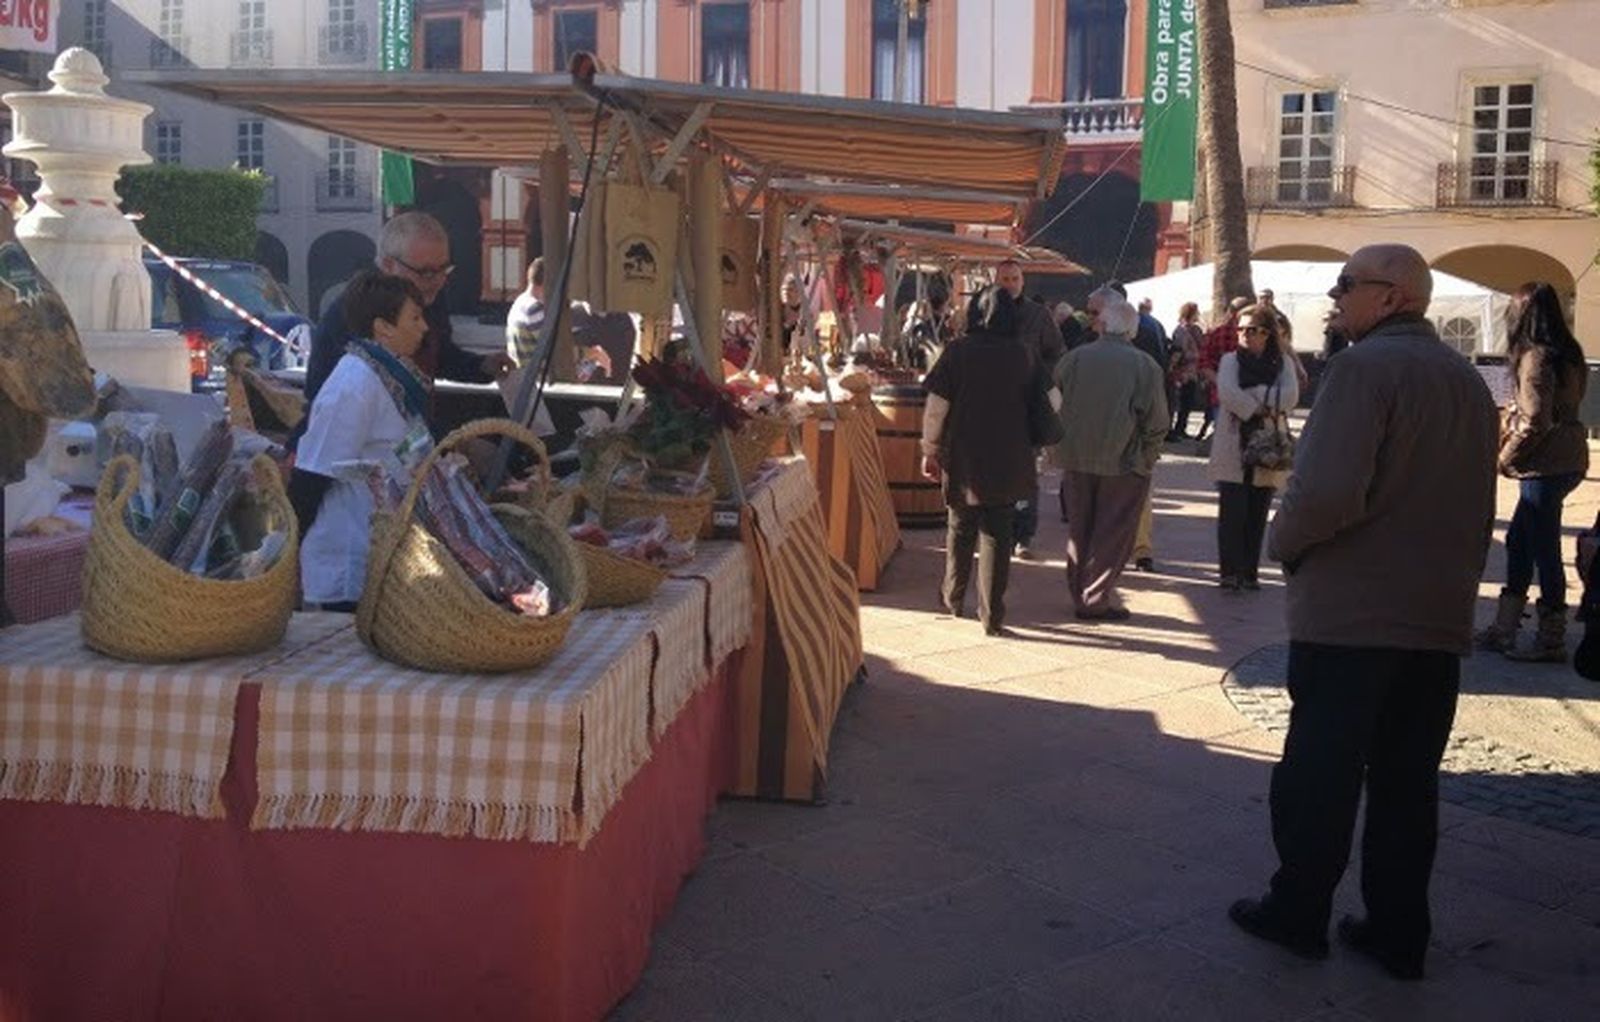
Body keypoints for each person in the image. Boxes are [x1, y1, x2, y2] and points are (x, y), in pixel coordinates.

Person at [1229, 244, 1498, 982]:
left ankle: (1298, 912)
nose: (1336, 296)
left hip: (1355, 614)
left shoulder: (1363, 369)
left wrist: (1283, 542)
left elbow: (1325, 493)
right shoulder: (1466, 381)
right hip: (1435, 614)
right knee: (1408, 784)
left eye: (1348, 285)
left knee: (1320, 773)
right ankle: (1398, 930)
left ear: (1392, 297)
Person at [290, 271, 436, 612]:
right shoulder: (353, 383)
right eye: (414, 318)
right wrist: (290, 548)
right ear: (383, 327)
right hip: (350, 549)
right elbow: (314, 472)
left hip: (383, 545)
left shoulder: (390, 376)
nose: (424, 327)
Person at [300, 213, 512, 445]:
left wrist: (481, 366)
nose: (438, 280)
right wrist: (452, 444)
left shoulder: (428, 294)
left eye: (444, 269)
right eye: (426, 272)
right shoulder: (355, 311)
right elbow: (382, 403)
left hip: (411, 440)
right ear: (388, 265)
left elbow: (440, 356)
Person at [1475, 282, 1589, 662]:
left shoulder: (1534, 357)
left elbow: (1534, 419)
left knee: (1543, 548)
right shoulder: (1569, 353)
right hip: (1568, 457)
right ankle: (1505, 628)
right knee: (1520, 542)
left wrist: (1505, 458)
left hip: (1544, 463)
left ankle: (1550, 637)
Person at [921, 286, 1041, 636]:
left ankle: (953, 596)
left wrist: (929, 449)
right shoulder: (1024, 354)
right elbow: (1051, 402)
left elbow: (936, 407)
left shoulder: (957, 351)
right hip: (1009, 454)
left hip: (963, 453)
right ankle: (992, 616)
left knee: (960, 526)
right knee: (998, 534)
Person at [1053, 294, 1167, 620]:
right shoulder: (1144, 365)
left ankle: (1080, 592)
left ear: (1102, 325)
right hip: (1123, 462)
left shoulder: (1073, 359)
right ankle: (1094, 598)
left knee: (1080, 530)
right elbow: (1157, 421)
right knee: (1113, 533)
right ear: (1132, 330)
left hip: (1075, 458)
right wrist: (1147, 458)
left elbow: (1053, 403)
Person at [1209, 304, 1300, 591]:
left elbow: (1291, 396)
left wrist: (1257, 393)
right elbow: (1227, 393)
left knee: (1258, 512)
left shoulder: (1282, 362)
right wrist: (1261, 405)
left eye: (1251, 330)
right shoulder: (1230, 361)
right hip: (1234, 441)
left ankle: (1249, 572)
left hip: (1268, 445)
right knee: (1232, 511)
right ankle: (1229, 572)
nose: (1244, 335)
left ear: (1266, 333)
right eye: (1240, 329)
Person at [996, 258, 1066, 560]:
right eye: (1005, 279)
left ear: (1022, 282)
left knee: (1025, 472)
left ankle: (1023, 534)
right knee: (994, 470)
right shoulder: (985, 311)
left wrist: (1038, 381)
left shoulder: (1038, 315)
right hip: (992, 406)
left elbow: (1057, 353)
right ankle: (998, 531)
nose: (1010, 284)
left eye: (1015, 279)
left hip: (1026, 407)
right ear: (996, 281)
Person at [504, 257, 613, 381]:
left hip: (527, 377)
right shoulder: (534, 310)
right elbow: (559, 354)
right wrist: (594, 353)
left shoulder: (521, 302)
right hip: (540, 382)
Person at [1197, 297, 1251, 443]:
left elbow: (1203, 363)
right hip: (1249, 393)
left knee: (1224, 437)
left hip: (1221, 394)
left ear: (1230, 311)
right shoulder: (1257, 335)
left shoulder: (1216, 333)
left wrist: (1220, 382)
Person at [1258, 288, 1310, 392]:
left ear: (1272, 299)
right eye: (1261, 298)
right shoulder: (1251, 318)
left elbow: (1286, 343)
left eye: (1267, 298)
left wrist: (1298, 366)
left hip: (1275, 360)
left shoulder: (1279, 318)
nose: (1264, 301)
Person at [1168, 302, 1205, 439]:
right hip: (1184, 370)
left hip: (1193, 370)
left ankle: (1181, 428)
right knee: (1182, 400)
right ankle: (1177, 429)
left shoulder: (1194, 329)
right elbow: (1179, 349)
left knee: (1188, 401)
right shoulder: (1182, 330)